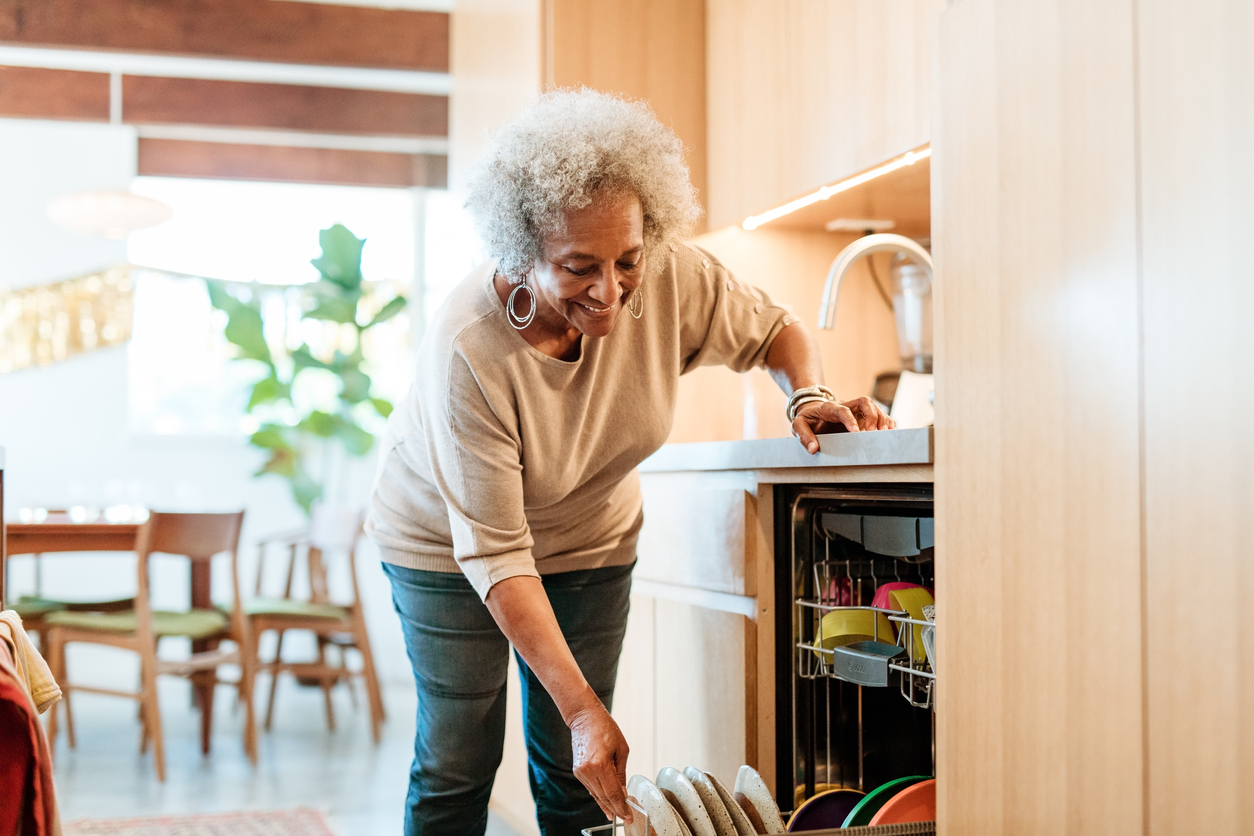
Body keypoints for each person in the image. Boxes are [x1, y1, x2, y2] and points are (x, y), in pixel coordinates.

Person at [366, 88, 893, 836]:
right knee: (459, 759)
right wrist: (582, 711)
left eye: (628, 260)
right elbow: (497, 553)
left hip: (589, 542)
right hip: (446, 553)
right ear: (521, 253)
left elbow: (775, 329)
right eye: (579, 266)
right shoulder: (468, 348)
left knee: (574, 771)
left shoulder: (672, 275)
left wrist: (805, 394)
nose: (610, 291)